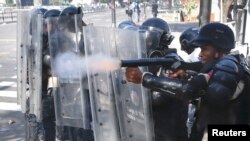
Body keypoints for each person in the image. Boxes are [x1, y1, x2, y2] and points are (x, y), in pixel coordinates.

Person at [125, 22, 250, 141]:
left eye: (205, 49)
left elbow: (197, 92)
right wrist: (188, 74)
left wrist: (144, 78)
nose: (200, 54)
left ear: (218, 50)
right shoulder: (227, 64)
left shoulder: (227, 67)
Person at [138, 17, 189, 141]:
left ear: (163, 41)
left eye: (151, 38)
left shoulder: (172, 62)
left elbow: (156, 99)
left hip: (170, 134)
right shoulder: (152, 61)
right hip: (154, 132)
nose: (147, 42)